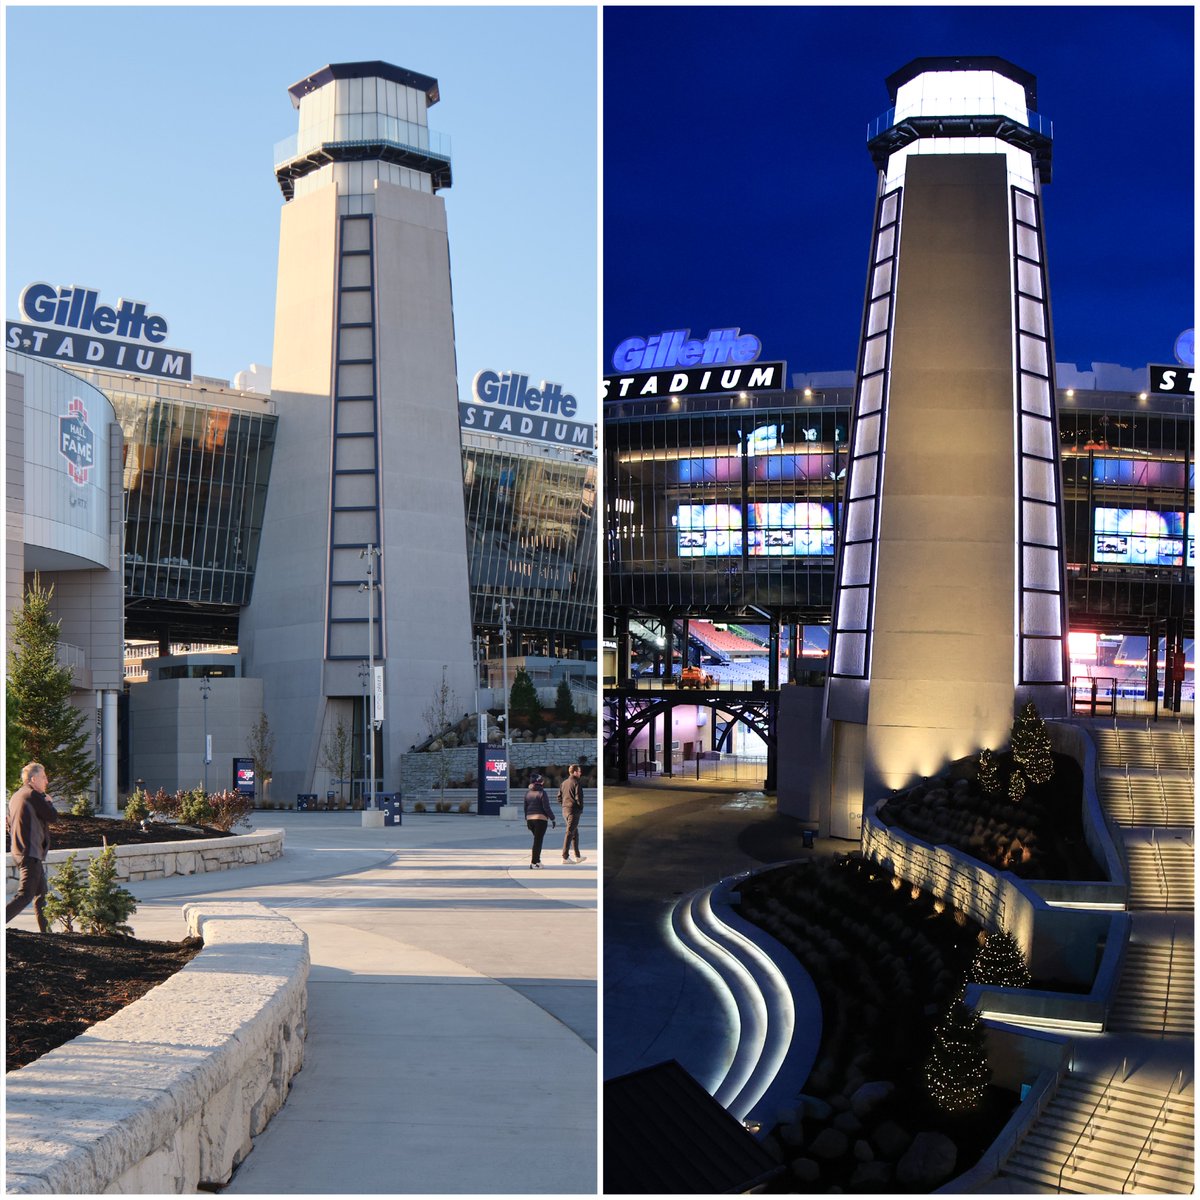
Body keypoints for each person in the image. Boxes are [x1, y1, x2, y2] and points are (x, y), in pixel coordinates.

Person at [6, 763, 58, 931]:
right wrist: (49, 802)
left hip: (22, 850)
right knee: (25, 895)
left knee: (41, 895)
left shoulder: (16, 796)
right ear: (33, 779)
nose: (47, 781)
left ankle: (47, 931)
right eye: (44, 777)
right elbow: (52, 816)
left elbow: (8, 824)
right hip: (30, 852)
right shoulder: (33, 795)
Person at [523, 773, 555, 869]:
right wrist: (552, 818)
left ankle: (538, 861)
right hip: (540, 820)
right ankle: (533, 863)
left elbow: (525, 808)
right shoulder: (542, 793)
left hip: (530, 820)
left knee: (537, 840)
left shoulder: (528, 793)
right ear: (540, 782)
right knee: (537, 841)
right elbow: (546, 808)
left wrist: (527, 819)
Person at [559, 763, 584, 863]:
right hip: (573, 811)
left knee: (574, 833)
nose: (580, 773)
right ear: (574, 772)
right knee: (569, 833)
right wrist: (580, 808)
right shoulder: (576, 783)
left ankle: (577, 856)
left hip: (565, 811)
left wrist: (564, 805)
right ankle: (565, 857)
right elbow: (579, 798)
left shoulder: (564, 783)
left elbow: (559, 797)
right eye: (579, 771)